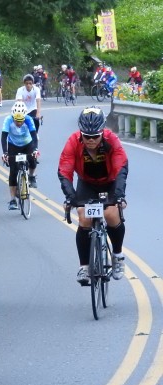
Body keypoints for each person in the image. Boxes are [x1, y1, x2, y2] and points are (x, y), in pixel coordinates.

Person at [57, 107, 128, 284]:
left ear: (102, 132)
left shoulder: (112, 140)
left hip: (110, 182)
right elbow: (65, 170)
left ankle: (117, 255)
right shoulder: (73, 141)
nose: (90, 140)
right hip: (87, 183)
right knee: (83, 216)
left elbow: (121, 167)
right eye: (86, 136)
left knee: (112, 214)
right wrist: (71, 197)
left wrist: (119, 195)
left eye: (95, 136)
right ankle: (84, 267)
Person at [1, 102, 38, 209]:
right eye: (16, 121)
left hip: (27, 143)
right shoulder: (8, 120)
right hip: (13, 145)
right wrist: (5, 152)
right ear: (13, 117)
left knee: (33, 159)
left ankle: (31, 176)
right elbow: (4, 137)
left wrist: (35, 149)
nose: (18, 123)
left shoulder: (28, 119)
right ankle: (12, 200)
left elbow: (34, 136)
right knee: (13, 171)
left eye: (21, 121)